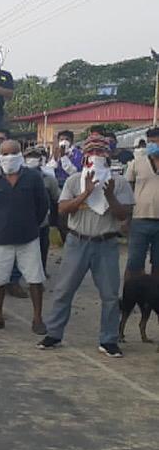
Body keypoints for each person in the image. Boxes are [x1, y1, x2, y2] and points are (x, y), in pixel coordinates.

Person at [38, 136, 134, 357]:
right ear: (84, 159)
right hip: (77, 241)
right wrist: (86, 193)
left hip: (106, 242)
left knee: (110, 295)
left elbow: (123, 216)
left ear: (108, 157)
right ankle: (54, 333)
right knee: (64, 290)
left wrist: (109, 196)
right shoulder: (74, 181)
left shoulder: (118, 183)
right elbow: (63, 209)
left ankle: (108, 339)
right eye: (92, 154)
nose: (97, 157)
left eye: (101, 154)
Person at [0, 139, 49, 333]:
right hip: (0, 238)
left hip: (28, 237)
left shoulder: (33, 178)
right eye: (5, 153)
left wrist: (30, 224)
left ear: (20, 154)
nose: (9, 157)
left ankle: (37, 319)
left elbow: (42, 206)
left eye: (13, 153)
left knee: (35, 279)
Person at [124, 128, 159, 279]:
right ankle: (129, 298)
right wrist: (126, 218)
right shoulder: (136, 163)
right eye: (150, 142)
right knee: (134, 264)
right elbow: (127, 190)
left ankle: (154, 299)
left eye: (156, 142)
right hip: (139, 220)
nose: (153, 145)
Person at [24, 145, 61, 271]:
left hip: (42, 222)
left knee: (42, 249)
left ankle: (41, 273)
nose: (32, 159)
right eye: (29, 157)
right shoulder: (18, 178)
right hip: (23, 222)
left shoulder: (49, 179)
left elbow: (57, 199)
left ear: (40, 160)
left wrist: (55, 223)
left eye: (35, 157)